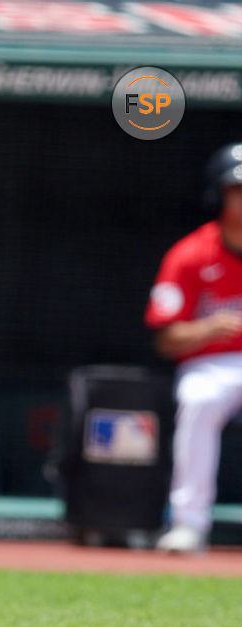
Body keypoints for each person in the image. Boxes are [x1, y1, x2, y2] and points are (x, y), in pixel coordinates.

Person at [145, 142, 242, 554]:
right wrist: (208, 329)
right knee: (199, 399)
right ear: (220, 194)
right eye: (238, 190)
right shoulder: (190, 254)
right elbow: (165, 340)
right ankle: (189, 523)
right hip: (211, 365)